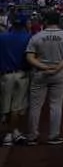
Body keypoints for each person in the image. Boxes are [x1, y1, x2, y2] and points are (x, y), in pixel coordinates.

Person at [24, 11, 63, 146]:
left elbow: (29, 57)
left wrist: (44, 67)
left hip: (40, 73)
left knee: (35, 106)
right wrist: (58, 68)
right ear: (58, 21)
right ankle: (53, 136)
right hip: (59, 73)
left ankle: (32, 136)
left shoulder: (36, 37)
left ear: (45, 21)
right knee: (56, 105)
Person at [0, 15, 31, 146]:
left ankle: (8, 134)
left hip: (5, 75)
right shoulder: (28, 38)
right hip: (21, 74)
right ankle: (14, 132)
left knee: (5, 106)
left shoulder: (2, 37)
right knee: (17, 107)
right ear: (24, 25)